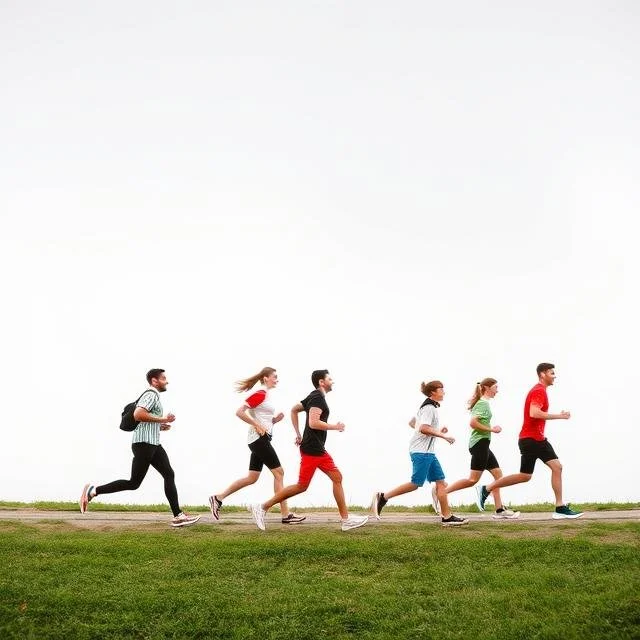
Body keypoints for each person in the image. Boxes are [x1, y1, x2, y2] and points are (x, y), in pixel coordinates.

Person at [249, 369, 368, 532]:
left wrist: (298, 434)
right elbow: (313, 423)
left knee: (335, 478)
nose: (332, 381)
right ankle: (262, 507)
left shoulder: (313, 396)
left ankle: (345, 519)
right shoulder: (317, 398)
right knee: (302, 486)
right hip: (313, 449)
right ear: (321, 382)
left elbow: (294, 409)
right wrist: (335, 426)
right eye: (329, 378)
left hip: (315, 447)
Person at [80, 369, 200, 528]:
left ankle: (178, 515)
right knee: (134, 483)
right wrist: (164, 418)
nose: (167, 381)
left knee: (168, 474)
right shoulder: (151, 394)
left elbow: (144, 418)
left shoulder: (152, 396)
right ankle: (94, 491)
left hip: (153, 443)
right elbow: (138, 414)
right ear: (154, 380)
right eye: (163, 378)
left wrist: (159, 425)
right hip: (144, 444)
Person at [476, 363, 583, 519]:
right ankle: (559, 508)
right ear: (542, 374)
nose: (555, 376)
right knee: (548, 470)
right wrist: (560, 416)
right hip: (533, 439)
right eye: (552, 373)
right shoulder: (539, 391)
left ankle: (487, 489)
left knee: (531, 474)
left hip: (533, 438)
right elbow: (534, 412)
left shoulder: (540, 390)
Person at [208, 367, 305, 524]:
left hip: (260, 440)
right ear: (266, 378)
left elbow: (261, 417)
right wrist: (256, 425)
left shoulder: (265, 395)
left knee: (252, 478)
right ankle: (285, 514)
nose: (277, 379)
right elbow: (240, 412)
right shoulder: (260, 393)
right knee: (279, 473)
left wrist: (273, 421)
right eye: (274, 376)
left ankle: (218, 498)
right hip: (258, 440)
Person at [373, 380, 469, 526]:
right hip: (421, 452)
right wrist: (442, 435)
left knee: (441, 482)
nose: (444, 392)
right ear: (433, 392)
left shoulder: (427, 407)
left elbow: (413, 423)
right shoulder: (429, 408)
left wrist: (436, 431)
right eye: (441, 389)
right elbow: (423, 428)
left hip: (427, 452)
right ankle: (383, 497)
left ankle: (447, 517)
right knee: (415, 484)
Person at [438, 378, 519, 519]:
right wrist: (491, 429)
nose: (497, 390)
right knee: (472, 480)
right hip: (479, 444)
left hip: (483, 444)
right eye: (495, 387)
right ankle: (442, 493)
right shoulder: (483, 403)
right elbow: (473, 423)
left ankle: (499, 510)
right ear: (487, 388)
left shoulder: (483, 402)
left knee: (498, 476)